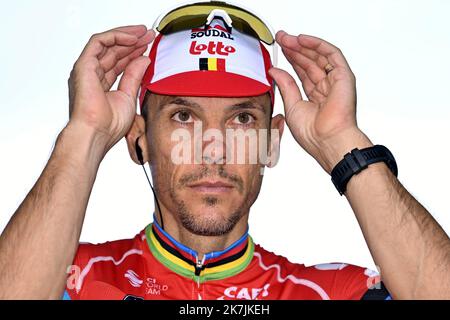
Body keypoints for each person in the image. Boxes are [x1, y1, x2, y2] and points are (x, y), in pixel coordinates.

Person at [0, 1, 449, 300]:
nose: (212, 149)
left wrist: (343, 144)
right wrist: (84, 135)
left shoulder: (327, 291)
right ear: (139, 139)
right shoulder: (71, 277)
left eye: (242, 120)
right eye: (182, 117)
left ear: (271, 143)